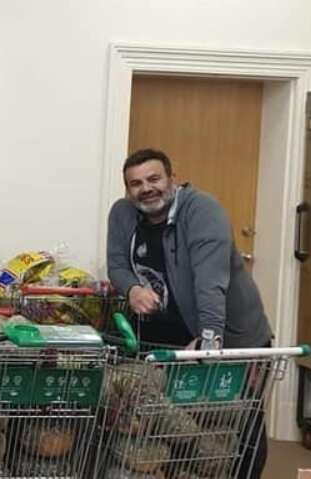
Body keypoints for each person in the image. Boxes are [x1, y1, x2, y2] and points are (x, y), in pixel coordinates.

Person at [107, 148, 272, 478]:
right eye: (136, 183)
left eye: (154, 178)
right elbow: (117, 265)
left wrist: (210, 338)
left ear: (172, 177)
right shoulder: (123, 213)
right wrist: (133, 289)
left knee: (237, 424)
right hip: (166, 343)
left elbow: (211, 281)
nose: (146, 188)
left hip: (228, 335)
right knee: (176, 428)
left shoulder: (201, 210)